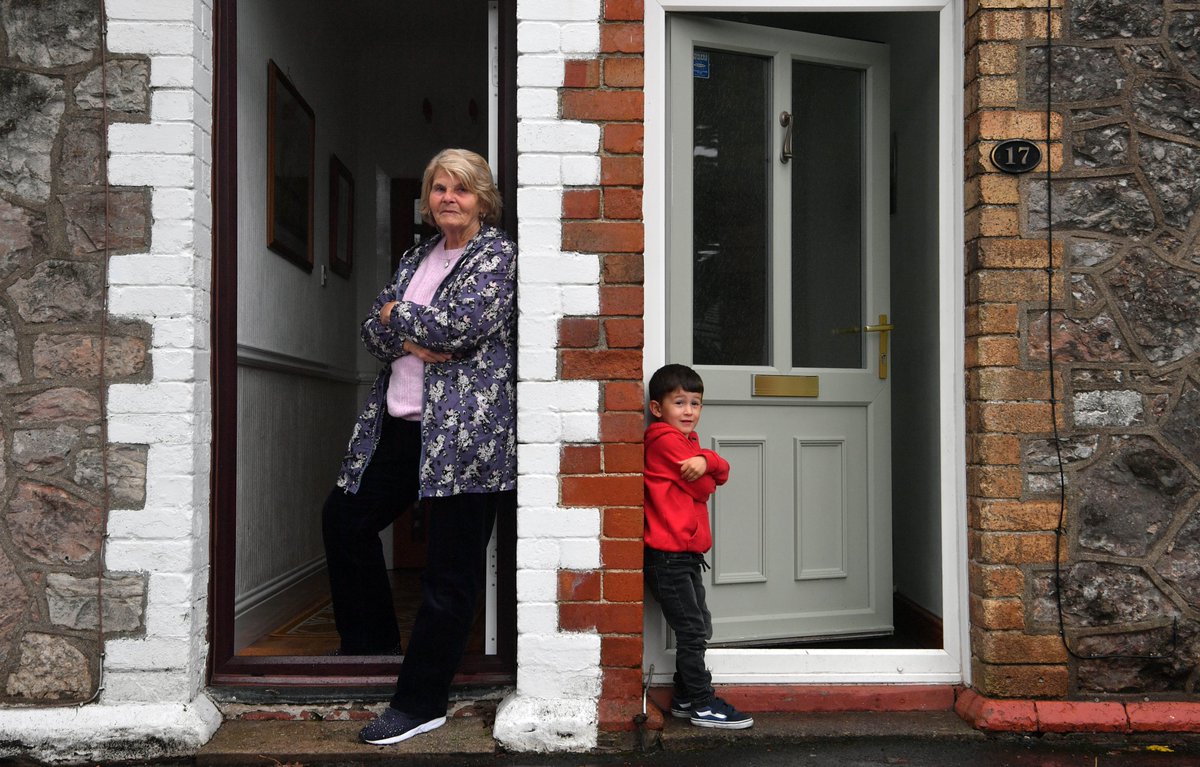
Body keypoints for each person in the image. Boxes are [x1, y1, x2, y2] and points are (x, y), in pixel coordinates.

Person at [321, 148, 516, 746]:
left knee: (448, 574)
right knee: (345, 521)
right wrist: (407, 328)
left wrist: (400, 318)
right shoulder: (416, 256)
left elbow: (458, 328)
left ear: (482, 197)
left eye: (460, 188)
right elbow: (372, 334)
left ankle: (421, 701)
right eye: (438, 189)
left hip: (463, 435)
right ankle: (371, 647)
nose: (448, 198)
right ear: (427, 200)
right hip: (401, 424)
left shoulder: (497, 255)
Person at [643, 364, 754, 730]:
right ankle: (703, 703)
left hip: (685, 556)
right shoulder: (664, 441)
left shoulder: (689, 443)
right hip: (668, 557)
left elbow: (720, 471)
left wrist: (706, 459)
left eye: (696, 403)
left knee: (699, 624)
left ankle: (686, 696)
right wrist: (709, 468)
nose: (689, 411)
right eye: (680, 403)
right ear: (658, 409)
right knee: (692, 630)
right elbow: (706, 488)